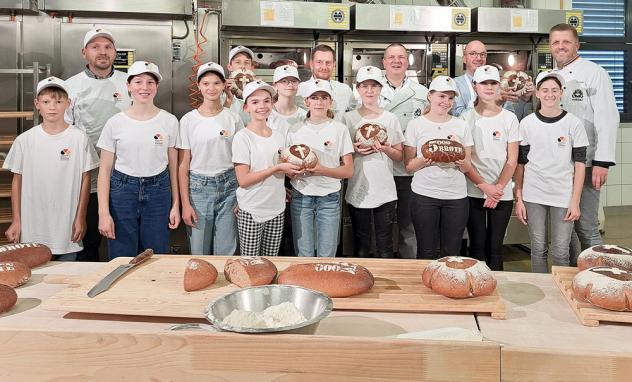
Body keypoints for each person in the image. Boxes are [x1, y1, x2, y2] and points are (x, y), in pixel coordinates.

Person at [4, 77, 99, 260]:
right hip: (32, 227)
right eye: (46, 102)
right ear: (37, 104)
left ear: (68, 103)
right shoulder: (25, 140)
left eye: (58, 101)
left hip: (67, 229)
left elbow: (85, 180)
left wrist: (81, 217)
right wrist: (16, 221)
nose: (52, 107)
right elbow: (17, 182)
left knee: (66, 279)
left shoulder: (79, 139)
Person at [549, 23, 620, 264]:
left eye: (566, 42)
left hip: (588, 161)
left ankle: (599, 273)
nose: (560, 46)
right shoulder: (549, 76)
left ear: (577, 44)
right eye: (556, 42)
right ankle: (571, 275)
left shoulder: (595, 72)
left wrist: (602, 161)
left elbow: (608, 117)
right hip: (558, 164)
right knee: (564, 226)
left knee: (587, 225)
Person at [97, 61, 180, 259]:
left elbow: (174, 169)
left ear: (157, 87)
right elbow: (105, 171)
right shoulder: (115, 123)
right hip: (122, 192)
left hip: (159, 191)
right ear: (128, 86)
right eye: (138, 82)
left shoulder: (169, 121)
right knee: (121, 255)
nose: (144, 87)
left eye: (150, 82)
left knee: (156, 255)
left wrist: (175, 204)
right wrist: (103, 213)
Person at [65, 27, 132, 262]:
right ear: (84, 52)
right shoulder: (70, 87)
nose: (102, 52)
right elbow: (66, 134)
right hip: (89, 179)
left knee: (124, 241)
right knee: (90, 241)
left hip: (127, 178)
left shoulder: (130, 83)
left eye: (107, 47)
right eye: (95, 47)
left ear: (114, 52)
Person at [514, 71, 588, 273]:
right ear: (537, 93)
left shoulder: (573, 123)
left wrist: (575, 201)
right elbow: (520, 164)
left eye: (555, 90)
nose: (550, 94)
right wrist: (519, 198)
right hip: (533, 193)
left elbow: (579, 165)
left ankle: (560, 293)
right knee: (537, 248)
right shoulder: (527, 123)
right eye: (545, 90)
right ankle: (543, 293)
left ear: (561, 93)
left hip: (563, 194)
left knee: (561, 250)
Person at [403, 76, 473, 259]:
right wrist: (426, 158)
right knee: (426, 250)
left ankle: (448, 286)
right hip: (424, 196)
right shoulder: (415, 125)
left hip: (456, 197)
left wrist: (458, 158)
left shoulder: (461, 125)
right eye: (442, 96)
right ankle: (424, 287)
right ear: (430, 96)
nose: (446, 102)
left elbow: (467, 167)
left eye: (450, 98)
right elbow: (409, 166)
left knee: (452, 252)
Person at [177, 62, 243, 255]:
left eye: (216, 83)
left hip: (230, 187)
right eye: (206, 83)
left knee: (227, 250)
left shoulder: (233, 118)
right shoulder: (189, 120)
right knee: (199, 251)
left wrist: (241, 195)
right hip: (198, 189)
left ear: (224, 85)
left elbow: (241, 160)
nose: (211, 88)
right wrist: (185, 204)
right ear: (199, 86)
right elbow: (183, 165)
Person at [232, 80, 300, 256]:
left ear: (272, 103)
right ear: (246, 107)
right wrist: (276, 169)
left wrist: (287, 176)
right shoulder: (242, 137)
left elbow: (280, 168)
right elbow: (244, 180)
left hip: (276, 208)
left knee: (270, 262)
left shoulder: (279, 136)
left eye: (266, 101)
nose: (261, 106)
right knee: (250, 263)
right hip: (252, 208)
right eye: (255, 102)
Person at [288, 79, 354, 257]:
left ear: (330, 102)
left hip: (330, 197)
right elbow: (286, 167)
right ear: (306, 102)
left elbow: (348, 170)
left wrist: (321, 170)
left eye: (324, 97)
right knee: (304, 253)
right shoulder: (294, 130)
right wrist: (293, 172)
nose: (319, 102)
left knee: (327, 254)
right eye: (314, 97)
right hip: (301, 196)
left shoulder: (340, 129)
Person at [463, 65, 520, 271]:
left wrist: (497, 189)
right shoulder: (465, 118)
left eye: (493, 83)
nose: (488, 87)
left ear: (499, 86)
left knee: (496, 247)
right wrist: (485, 187)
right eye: (484, 83)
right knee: (477, 246)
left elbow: (512, 160)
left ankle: (497, 290)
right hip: (474, 191)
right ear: (474, 85)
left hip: (501, 193)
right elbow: (465, 161)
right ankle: (476, 290)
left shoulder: (509, 118)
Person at [343, 66, 404, 258]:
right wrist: (354, 149)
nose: (369, 91)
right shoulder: (348, 118)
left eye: (374, 86)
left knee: (385, 244)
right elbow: (341, 155)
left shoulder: (390, 118)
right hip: (357, 187)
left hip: (384, 189)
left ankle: (386, 284)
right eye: (364, 86)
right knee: (361, 244)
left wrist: (386, 148)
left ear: (381, 88)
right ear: (358, 88)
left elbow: (399, 155)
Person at [380, 43, 429, 259]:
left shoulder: (422, 92)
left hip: (409, 170)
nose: (396, 61)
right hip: (379, 167)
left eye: (401, 57)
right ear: (384, 62)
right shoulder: (370, 89)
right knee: (381, 226)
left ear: (407, 62)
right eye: (391, 57)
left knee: (410, 225)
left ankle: (410, 267)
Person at [269, 64, 307, 256]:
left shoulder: (304, 115)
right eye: (284, 81)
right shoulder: (266, 114)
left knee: (294, 233)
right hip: (271, 178)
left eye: (292, 81)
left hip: (298, 178)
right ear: (275, 85)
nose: (289, 85)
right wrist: (278, 182)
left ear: (298, 85)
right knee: (274, 234)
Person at [453, 40, 533, 119]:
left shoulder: (499, 84)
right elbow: (458, 116)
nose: (479, 58)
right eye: (473, 54)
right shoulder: (455, 84)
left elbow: (511, 116)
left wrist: (524, 99)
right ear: (464, 59)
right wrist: (494, 102)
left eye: (482, 54)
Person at [298, 44, 356, 122]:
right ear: (311, 64)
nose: (324, 67)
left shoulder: (344, 90)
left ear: (334, 65)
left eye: (328, 63)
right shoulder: (299, 90)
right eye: (319, 62)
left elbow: (355, 113)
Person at [224, 45, 256, 125]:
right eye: (238, 62)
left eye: (246, 63)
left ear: (252, 67)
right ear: (229, 67)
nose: (243, 66)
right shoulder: (221, 89)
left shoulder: (259, 90)